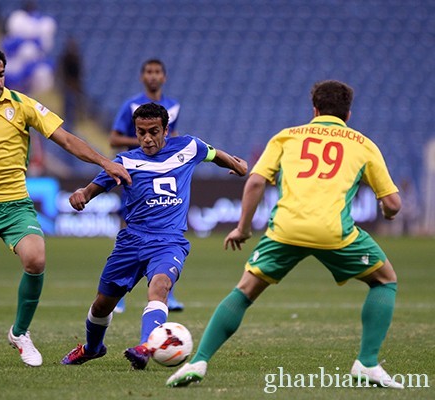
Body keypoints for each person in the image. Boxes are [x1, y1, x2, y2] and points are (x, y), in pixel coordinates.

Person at [166, 80, 404, 389]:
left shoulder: (287, 136)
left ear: (314, 110)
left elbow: (254, 183)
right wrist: (386, 212)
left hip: (285, 229)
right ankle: (367, 363)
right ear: (348, 114)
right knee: (385, 280)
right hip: (334, 231)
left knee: (244, 290)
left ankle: (198, 361)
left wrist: (243, 228)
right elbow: (393, 204)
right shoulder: (362, 144)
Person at [0, 43, 131, 368]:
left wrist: (105, 163)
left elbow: (65, 138)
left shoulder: (21, 104)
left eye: (1, 74)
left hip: (15, 206)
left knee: (36, 259)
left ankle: (20, 333)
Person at [61, 103, 247, 370]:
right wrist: (81, 195)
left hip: (169, 240)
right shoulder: (125, 161)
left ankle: (145, 348)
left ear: (166, 130)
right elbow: (92, 189)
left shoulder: (188, 147)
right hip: (131, 241)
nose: (147, 138)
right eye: (141, 132)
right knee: (102, 305)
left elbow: (215, 154)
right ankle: (92, 348)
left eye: (153, 131)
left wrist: (238, 166)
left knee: (159, 288)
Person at [110, 58, 183, 313]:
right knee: (127, 227)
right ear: (143, 77)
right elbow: (113, 138)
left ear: (164, 77)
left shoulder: (174, 106)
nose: (153, 76)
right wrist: (144, 139)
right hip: (136, 175)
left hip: (165, 173)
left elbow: (174, 138)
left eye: (157, 72)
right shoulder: (131, 105)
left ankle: (166, 292)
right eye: (149, 72)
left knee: (168, 232)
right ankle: (118, 293)